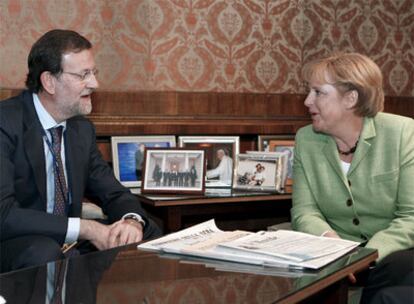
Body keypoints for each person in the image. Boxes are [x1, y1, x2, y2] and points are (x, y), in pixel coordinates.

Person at [0, 29, 161, 273]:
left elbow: (113, 193)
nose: (95, 84)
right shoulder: (6, 123)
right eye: (84, 75)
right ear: (49, 82)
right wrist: (85, 228)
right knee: (43, 250)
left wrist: (131, 221)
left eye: (93, 73)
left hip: (65, 241)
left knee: (147, 230)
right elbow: (5, 215)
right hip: (15, 240)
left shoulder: (80, 130)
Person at [291, 52, 414, 303]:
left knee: (394, 270)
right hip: (333, 256)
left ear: (351, 98)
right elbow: (305, 211)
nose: (307, 101)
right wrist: (332, 246)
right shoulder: (306, 139)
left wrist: (366, 256)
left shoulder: (402, 133)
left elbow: (410, 216)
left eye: (318, 92)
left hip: (393, 253)